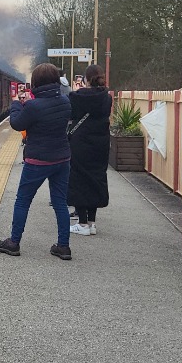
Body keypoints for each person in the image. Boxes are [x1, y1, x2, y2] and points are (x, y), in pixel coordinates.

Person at [0, 63, 73, 260]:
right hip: (62, 158)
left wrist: (15, 104)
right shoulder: (65, 101)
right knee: (60, 202)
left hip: (38, 160)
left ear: (36, 82)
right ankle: (63, 246)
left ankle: (13, 242)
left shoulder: (32, 106)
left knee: (23, 200)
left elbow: (17, 123)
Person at [67, 64, 111, 236]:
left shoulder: (76, 97)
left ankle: (82, 223)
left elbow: (71, 116)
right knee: (96, 177)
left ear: (85, 79)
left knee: (78, 179)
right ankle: (92, 223)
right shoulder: (107, 98)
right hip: (101, 142)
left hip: (81, 143)